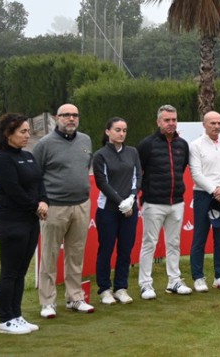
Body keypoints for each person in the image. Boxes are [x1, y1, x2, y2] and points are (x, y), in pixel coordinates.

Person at [34, 103, 95, 317]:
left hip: (81, 204)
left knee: (76, 254)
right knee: (50, 255)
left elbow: (84, 167)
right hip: (54, 206)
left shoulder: (85, 140)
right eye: (66, 115)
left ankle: (75, 297)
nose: (71, 119)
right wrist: (41, 201)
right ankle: (48, 302)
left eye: (75, 115)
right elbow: (35, 176)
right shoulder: (45, 144)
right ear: (57, 118)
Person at [0, 114, 48, 334]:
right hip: (11, 223)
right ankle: (5, 320)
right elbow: (14, 190)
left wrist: (43, 200)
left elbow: (39, 182)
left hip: (31, 221)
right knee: (10, 272)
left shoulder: (28, 156)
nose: (27, 135)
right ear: (8, 134)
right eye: (23, 132)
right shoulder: (2, 159)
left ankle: (16, 315)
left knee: (21, 271)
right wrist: (37, 206)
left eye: (28, 131)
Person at [137, 104, 193, 299]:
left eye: (174, 120)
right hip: (153, 203)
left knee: (174, 243)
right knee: (149, 243)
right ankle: (145, 284)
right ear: (158, 122)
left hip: (177, 202)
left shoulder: (183, 145)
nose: (171, 123)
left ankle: (174, 281)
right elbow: (139, 172)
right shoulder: (147, 144)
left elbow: (182, 167)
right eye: (167, 120)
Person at [92, 117, 141, 305]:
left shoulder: (132, 152)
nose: (121, 134)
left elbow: (137, 176)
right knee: (106, 249)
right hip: (108, 210)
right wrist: (121, 203)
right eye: (117, 130)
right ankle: (104, 289)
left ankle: (121, 287)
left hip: (130, 208)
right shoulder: (100, 155)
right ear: (108, 132)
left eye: (124, 130)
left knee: (125, 249)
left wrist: (131, 199)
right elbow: (102, 182)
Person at [189, 111, 220, 292]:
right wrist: (214, 190)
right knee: (200, 237)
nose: (217, 126)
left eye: (219, 123)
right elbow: (196, 173)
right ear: (204, 124)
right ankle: (198, 277)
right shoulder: (196, 145)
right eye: (212, 123)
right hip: (203, 194)